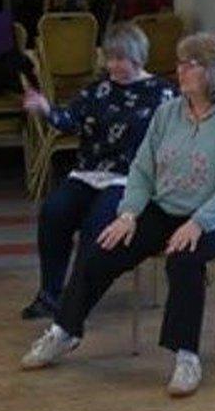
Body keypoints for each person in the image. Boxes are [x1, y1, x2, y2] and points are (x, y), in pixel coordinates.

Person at [19, 32, 215, 398]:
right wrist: (129, 213)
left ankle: (186, 355)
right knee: (101, 248)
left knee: (183, 258)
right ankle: (65, 331)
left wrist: (197, 223)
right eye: (179, 63)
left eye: (189, 64)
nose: (179, 70)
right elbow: (143, 169)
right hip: (167, 206)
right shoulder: (168, 113)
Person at [20, 22, 177, 320]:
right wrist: (44, 107)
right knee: (54, 212)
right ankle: (49, 294)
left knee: (98, 222)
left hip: (130, 178)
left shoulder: (163, 94)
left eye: (120, 59)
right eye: (110, 58)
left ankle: (77, 299)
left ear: (138, 58)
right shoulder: (99, 90)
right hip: (88, 173)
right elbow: (69, 120)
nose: (113, 65)